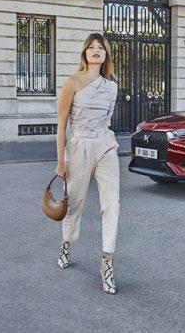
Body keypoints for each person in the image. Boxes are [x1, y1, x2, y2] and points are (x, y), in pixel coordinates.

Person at [55, 32, 120, 294]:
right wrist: (61, 161)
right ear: (84, 53)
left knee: (112, 204)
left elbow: (107, 120)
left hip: (105, 145)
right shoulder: (71, 82)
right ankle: (66, 244)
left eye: (100, 48)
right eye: (91, 47)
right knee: (75, 202)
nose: (96, 50)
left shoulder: (111, 87)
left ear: (105, 54)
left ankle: (107, 263)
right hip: (79, 145)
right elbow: (61, 126)